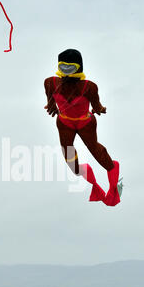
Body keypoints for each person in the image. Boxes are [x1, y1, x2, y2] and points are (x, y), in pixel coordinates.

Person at [44, 49, 120, 206]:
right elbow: (50, 101)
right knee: (72, 163)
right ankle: (94, 183)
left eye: (69, 67)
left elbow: (96, 106)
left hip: (85, 123)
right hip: (65, 123)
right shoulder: (50, 83)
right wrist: (51, 106)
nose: (65, 71)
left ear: (78, 67)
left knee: (97, 152)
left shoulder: (89, 87)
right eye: (63, 66)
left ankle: (113, 179)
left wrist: (100, 109)